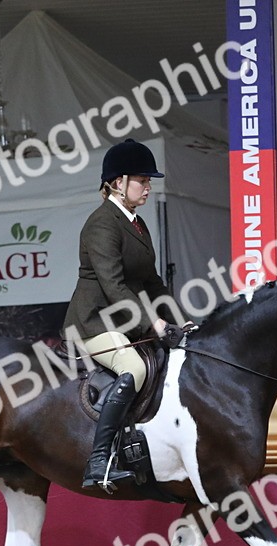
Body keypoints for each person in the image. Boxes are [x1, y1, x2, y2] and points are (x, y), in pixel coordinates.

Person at [62, 139, 186, 490]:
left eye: (148, 181)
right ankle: (99, 461)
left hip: (125, 320)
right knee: (134, 368)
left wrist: (179, 320)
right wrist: (154, 323)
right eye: (142, 180)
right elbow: (114, 286)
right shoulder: (102, 224)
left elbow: (153, 282)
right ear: (118, 182)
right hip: (95, 321)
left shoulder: (136, 223)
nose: (148, 187)